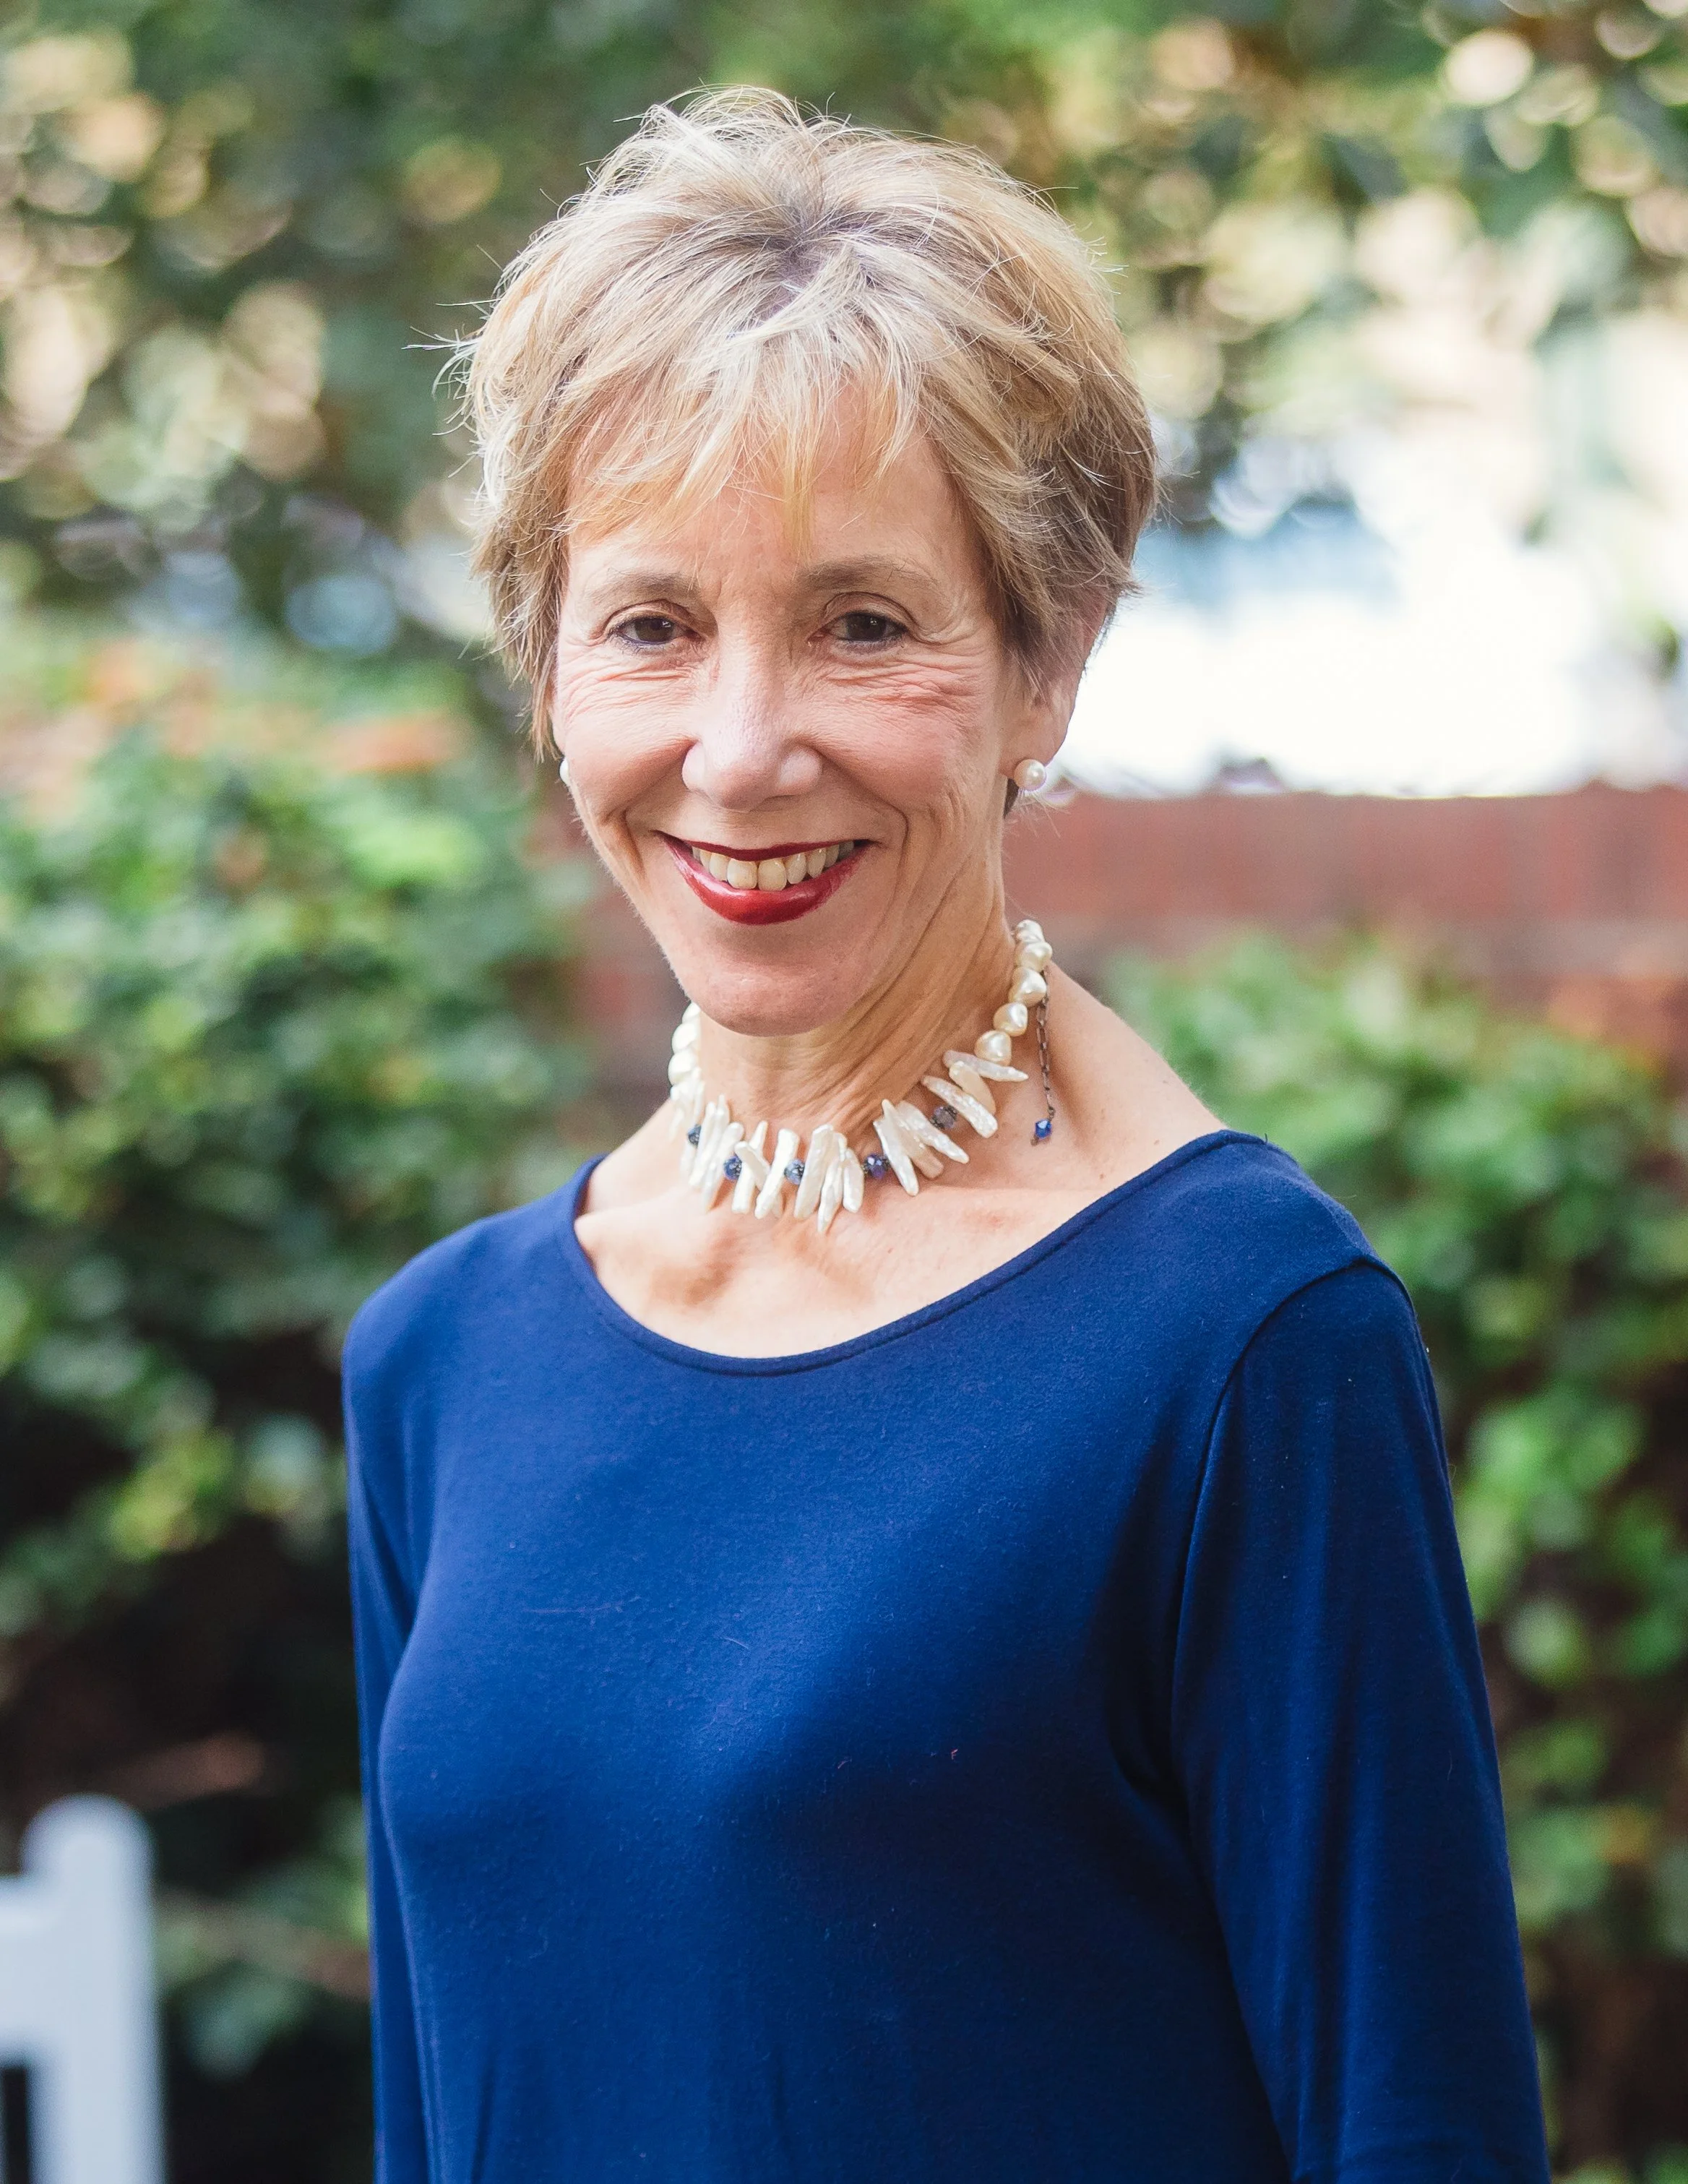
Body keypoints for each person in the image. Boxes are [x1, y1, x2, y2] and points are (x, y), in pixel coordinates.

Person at [345, 90, 1550, 2184]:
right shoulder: (440, 1364)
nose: (741, 751)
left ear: (1048, 664)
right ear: (545, 670)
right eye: (650, 624)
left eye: (864, 623)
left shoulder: (1241, 1344)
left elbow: (1417, 2131)